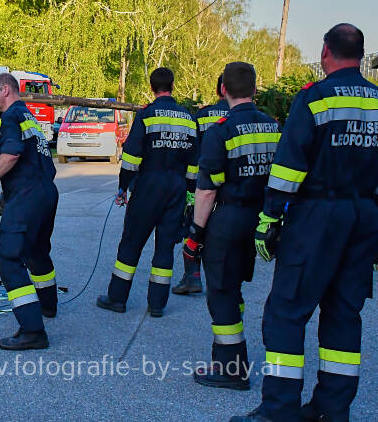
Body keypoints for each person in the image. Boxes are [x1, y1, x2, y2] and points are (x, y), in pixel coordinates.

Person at [232, 24, 378, 422]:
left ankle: (279, 410)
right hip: (362, 217)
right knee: (344, 313)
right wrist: (372, 216)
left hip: (317, 217)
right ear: (361, 55)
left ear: (326, 52)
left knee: (286, 313)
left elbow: (289, 167)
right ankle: (331, 409)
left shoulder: (315, 98)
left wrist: (270, 217)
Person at [187, 62, 280, 390]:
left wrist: (195, 233)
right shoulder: (273, 126)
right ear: (255, 89)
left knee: (221, 291)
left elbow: (207, 188)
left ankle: (232, 369)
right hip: (259, 218)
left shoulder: (220, 131)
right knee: (234, 285)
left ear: (222, 89)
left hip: (227, 219)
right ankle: (226, 352)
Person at [96, 67, 199, 317]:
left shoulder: (147, 114)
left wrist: (123, 186)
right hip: (176, 189)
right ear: (172, 85)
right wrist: (188, 192)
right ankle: (157, 305)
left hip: (148, 188)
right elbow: (195, 163)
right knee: (165, 247)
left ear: (152, 87)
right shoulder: (188, 117)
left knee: (131, 242)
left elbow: (131, 158)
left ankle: (117, 298)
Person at [0, 72, 59, 350]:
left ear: (6, 90)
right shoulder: (28, 116)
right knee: (36, 253)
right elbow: (33, 163)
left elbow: (11, 155)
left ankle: (33, 330)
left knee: (10, 260)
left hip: (28, 197)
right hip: (45, 193)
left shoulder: (10, 117)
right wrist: (6, 195)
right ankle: (47, 306)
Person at [173, 74, 230, 296]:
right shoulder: (248, 117)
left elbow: (192, 153)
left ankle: (192, 277)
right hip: (235, 191)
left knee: (195, 229)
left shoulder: (203, 115)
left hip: (204, 184)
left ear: (219, 90)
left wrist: (189, 189)